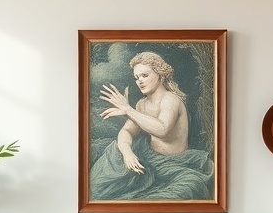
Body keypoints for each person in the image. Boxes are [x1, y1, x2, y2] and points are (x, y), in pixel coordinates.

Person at [90, 51, 214, 201]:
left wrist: (128, 110)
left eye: (144, 75)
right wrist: (127, 152)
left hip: (175, 164)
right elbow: (127, 131)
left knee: (184, 189)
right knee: (105, 173)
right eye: (136, 77)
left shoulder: (170, 100)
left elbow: (162, 129)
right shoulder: (142, 104)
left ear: (160, 75)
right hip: (150, 157)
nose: (140, 81)